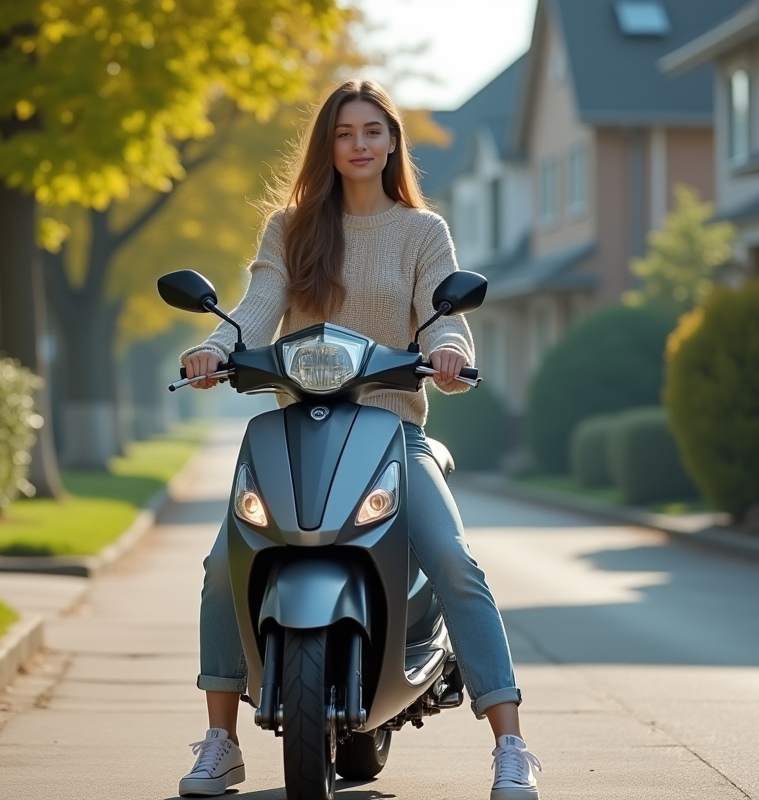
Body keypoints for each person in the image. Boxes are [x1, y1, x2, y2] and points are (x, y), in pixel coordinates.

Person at [176, 79, 542, 800]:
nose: (359, 144)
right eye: (344, 133)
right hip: (296, 430)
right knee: (224, 563)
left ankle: (511, 744)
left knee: (455, 561)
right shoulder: (291, 227)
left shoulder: (421, 231)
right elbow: (257, 305)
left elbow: (442, 312)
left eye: (373, 130)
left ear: (393, 142)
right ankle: (221, 741)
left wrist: (447, 350)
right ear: (328, 145)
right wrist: (215, 348)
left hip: (392, 433)